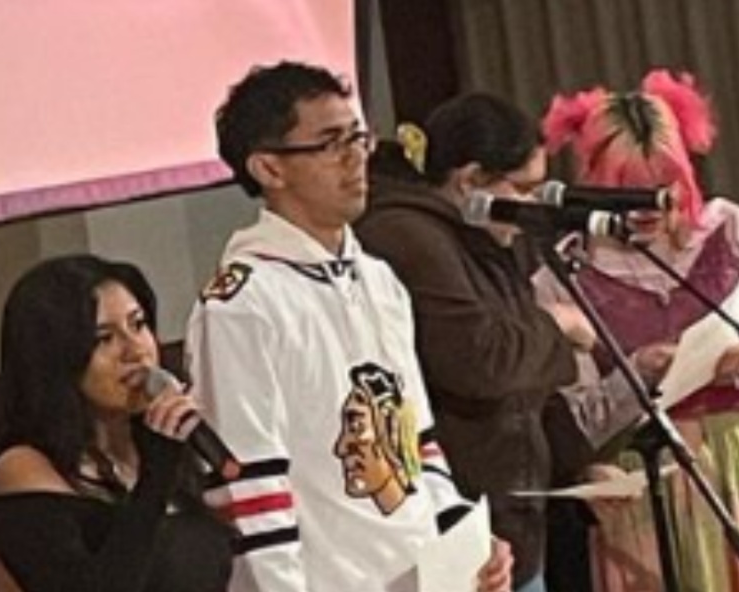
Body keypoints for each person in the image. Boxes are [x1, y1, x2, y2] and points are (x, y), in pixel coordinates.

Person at [185, 60, 516, 592]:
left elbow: (416, 445)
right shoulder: (244, 302)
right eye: (330, 143)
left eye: (358, 138)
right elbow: (251, 494)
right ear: (269, 168)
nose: (356, 158)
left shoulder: (379, 279)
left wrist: (464, 538)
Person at [537, 70, 739, 592]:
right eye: (627, 191)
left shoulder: (735, 233)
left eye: (662, 185)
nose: (650, 206)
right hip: (644, 482)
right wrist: (635, 377)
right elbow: (572, 423)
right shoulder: (564, 272)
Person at [358, 92, 602, 592]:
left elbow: (528, 376)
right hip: (462, 521)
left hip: (514, 521)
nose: (536, 206)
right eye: (525, 189)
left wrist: (580, 461)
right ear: (470, 181)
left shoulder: (481, 239)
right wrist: (555, 324)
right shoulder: (406, 235)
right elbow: (479, 360)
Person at [0, 255, 236, 592]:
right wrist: (155, 478)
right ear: (56, 358)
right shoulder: (22, 469)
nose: (135, 351)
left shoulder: (156, 450)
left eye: (138, 324)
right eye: (104, 338)